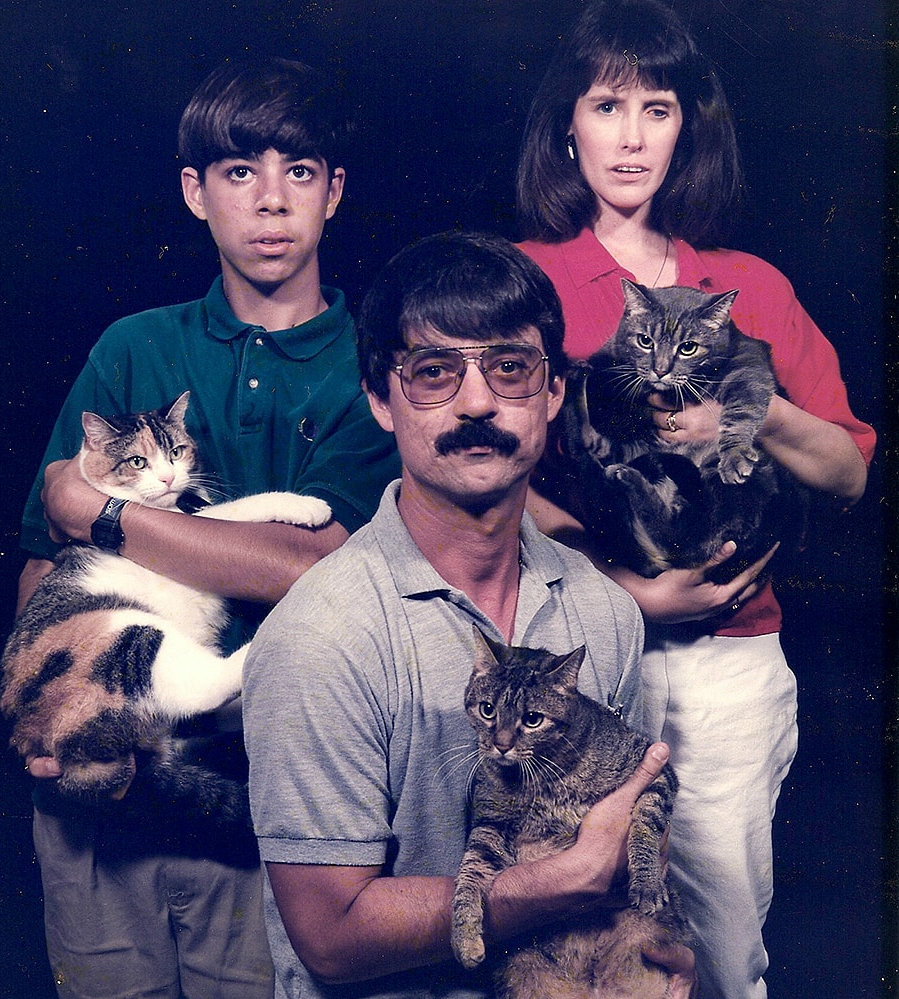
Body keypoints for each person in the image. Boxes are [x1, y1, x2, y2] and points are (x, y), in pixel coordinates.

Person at [15, 57, 400, 999]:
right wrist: (43, 707)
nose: (270, 200)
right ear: (195, 192)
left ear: (333, 193)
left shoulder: (373, 365)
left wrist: (103, 512)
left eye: (298, 172)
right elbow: (42, 561)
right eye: (238, 172)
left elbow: (310, 562)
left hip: (265, 793)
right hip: (103, 782)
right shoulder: (134, 346)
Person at [514, 3, 876, 997]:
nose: (631, 137)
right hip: (570, 665)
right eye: (607, 106)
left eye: (657, 109)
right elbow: (486, 483)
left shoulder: (749, 285)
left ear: (687, 129)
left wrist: (743, 409)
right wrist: (623, 591)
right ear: (567, 125)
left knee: (719, 948)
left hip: (726, 663)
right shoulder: (526, 280)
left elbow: (848, 470)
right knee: (577, 948)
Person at [242, 230, 698, 999]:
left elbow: (617, 836)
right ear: (380, 399)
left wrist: (650, 958)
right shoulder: (320, 633)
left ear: (553, 393)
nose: (478, 401)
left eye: (510, 367)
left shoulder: (605, 611)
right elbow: (328, 937)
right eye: (433, 372)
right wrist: (558, 883)